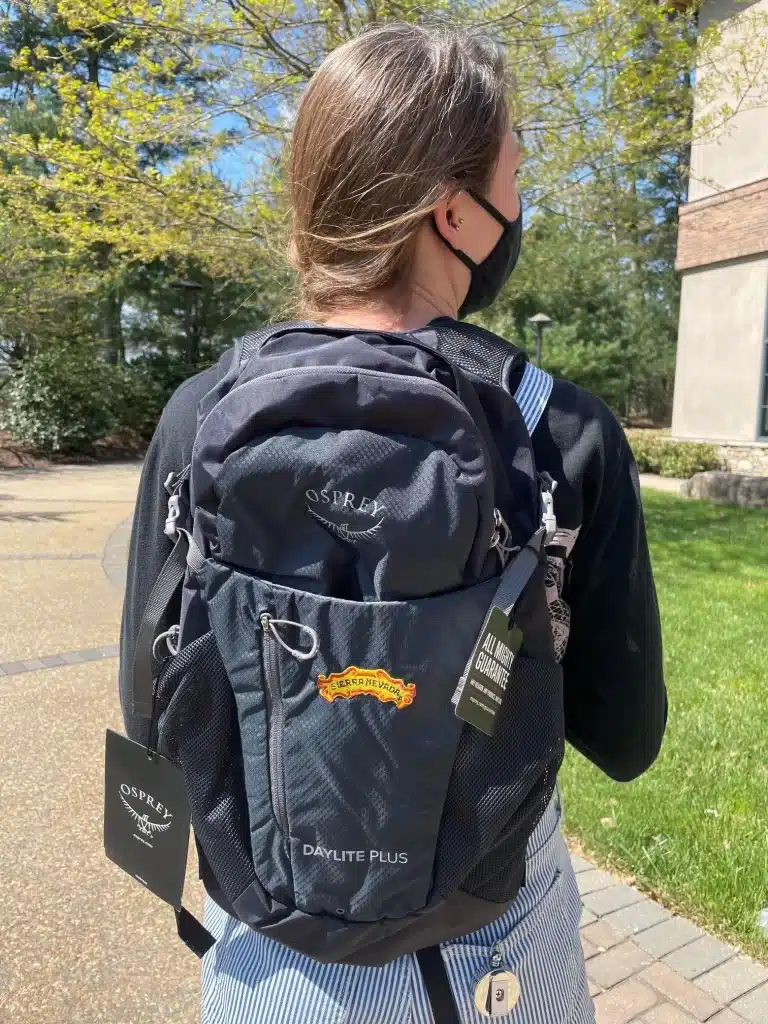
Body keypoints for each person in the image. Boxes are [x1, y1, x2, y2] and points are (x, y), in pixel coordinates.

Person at [120, 21, 666, 1023]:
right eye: (513, 179)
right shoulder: (565, 430)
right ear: (452, 213)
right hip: (496, 941)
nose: (519, 206)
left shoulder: (201, 411)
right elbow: (627, 739)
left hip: (270, 951)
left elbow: (153, 708)